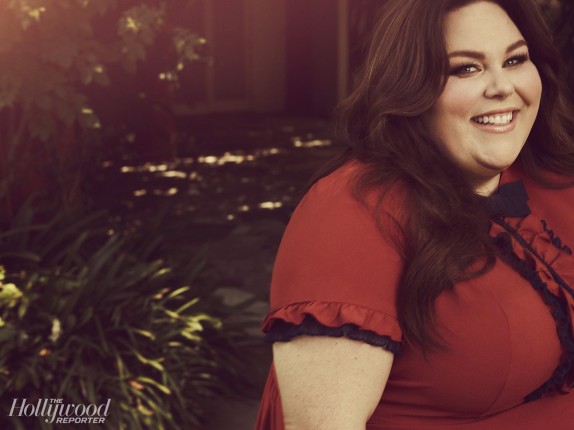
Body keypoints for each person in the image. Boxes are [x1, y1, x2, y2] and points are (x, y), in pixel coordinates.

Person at [255, 0, 574, 428]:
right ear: (411, 88)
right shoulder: (353, 212)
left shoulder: (549, 175)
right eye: (466, 68)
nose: (503, 87)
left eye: (515, 60)